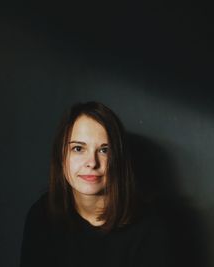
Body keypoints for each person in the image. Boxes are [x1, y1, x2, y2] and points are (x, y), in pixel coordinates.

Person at [20, 101, 170, 267]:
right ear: (61, 157)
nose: (92, 162)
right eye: (78, 148)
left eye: (104, 150)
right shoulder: (42, 215)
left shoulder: (148, 228)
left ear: (118, 160)